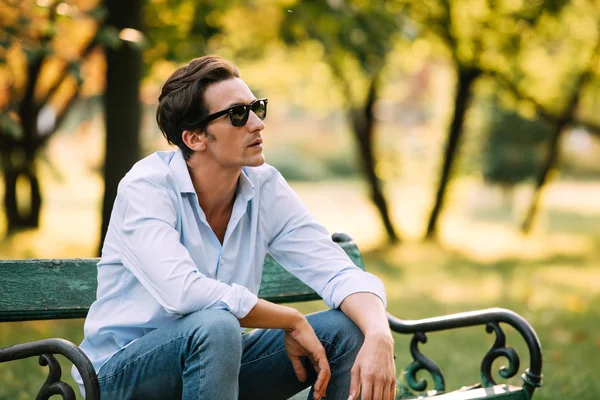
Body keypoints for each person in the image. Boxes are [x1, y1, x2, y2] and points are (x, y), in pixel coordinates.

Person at [73, 55, 396, 400]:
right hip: (121, 375)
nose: (257, 123)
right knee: (216, 324)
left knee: (345, 330)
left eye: (257, 108)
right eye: (238, 115)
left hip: (218, 362)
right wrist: (289, 319)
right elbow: (184, 293)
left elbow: (336, 272)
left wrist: (379, 331)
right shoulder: (147, 187)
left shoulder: (264, 186)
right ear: (195, 137)